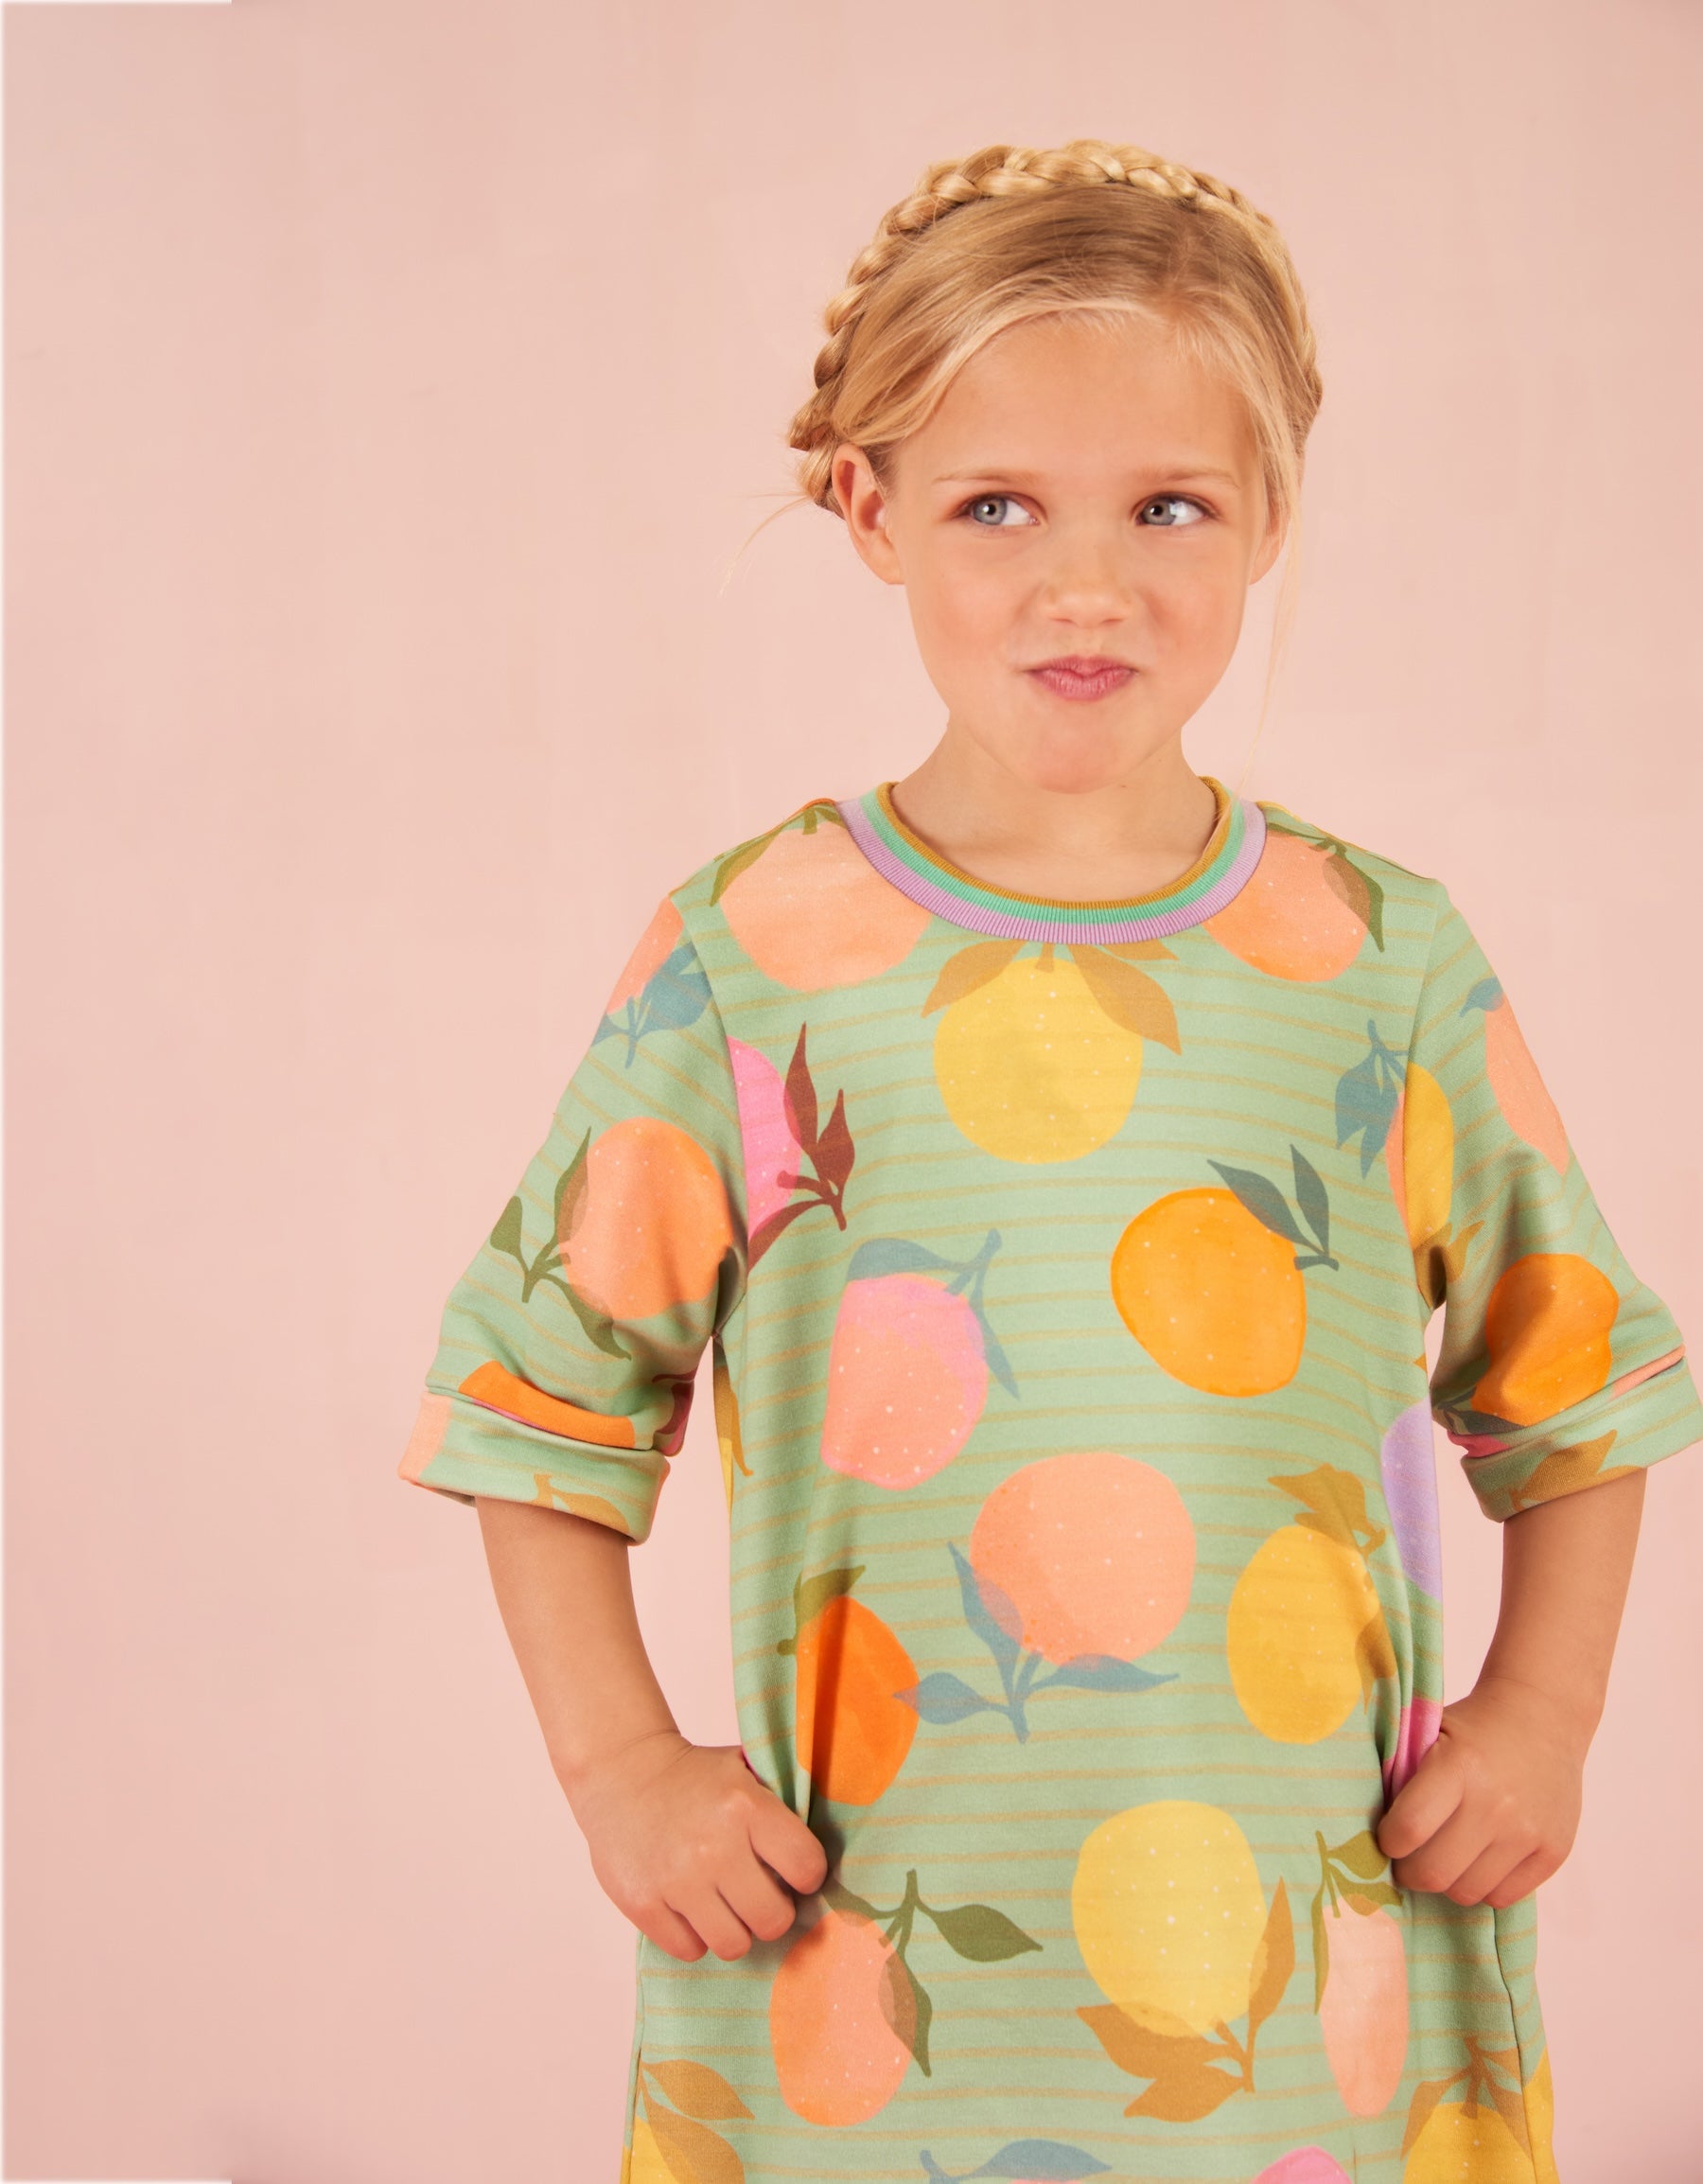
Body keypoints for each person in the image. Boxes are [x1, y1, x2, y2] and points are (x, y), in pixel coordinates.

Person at [397, 138, 1700, 2182]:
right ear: (871, 509)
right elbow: (533, 1402)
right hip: (865, 1979)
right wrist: (623, 1766)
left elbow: (1585, 1389)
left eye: (1168, 505)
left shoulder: (1383, 962)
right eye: (996, 504)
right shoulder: (748, 960)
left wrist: (1544, 1718)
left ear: (1269, 512)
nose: (1087, 585)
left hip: (1308, 1999)